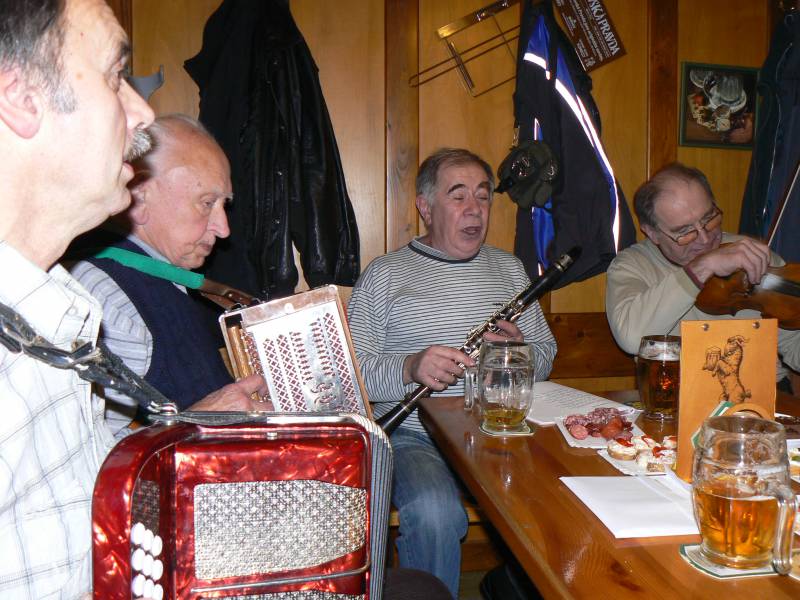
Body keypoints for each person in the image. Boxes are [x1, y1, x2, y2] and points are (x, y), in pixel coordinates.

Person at [0, 1, 267, 596]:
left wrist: (194, 424)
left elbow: (96, 472)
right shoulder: (92, 300)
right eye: (114, 75)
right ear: (20, 97)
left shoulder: (55, 308)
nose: (143, 111)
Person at [347, 148, 557, 597]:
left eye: (483, 196)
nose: (474, 209)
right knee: (435, 510)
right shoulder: (384, 275)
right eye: (458, 196)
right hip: (413, 434)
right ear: (425, 207)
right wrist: (410, 366)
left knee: (563, 495)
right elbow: (353, 373)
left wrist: (519, 355)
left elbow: (546, 354)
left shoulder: (510, 269)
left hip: (500, 430)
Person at [70, 114, 236, 432]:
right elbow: (92, 450)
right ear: (140, 196)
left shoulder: (164, 277)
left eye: (223, 205)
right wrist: (194, 424)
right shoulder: (105, 296)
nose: (223, 228)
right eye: (206, 203)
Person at [606, 162, 800, 378]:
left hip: (764, 394)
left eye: (709, 219)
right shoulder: (632, 266)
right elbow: (633, 339)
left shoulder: (752, 254)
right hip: (675, 395)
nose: (705, 239)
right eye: (685, 231)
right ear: (652, 233)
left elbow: (793, 344)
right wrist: (704, 266)